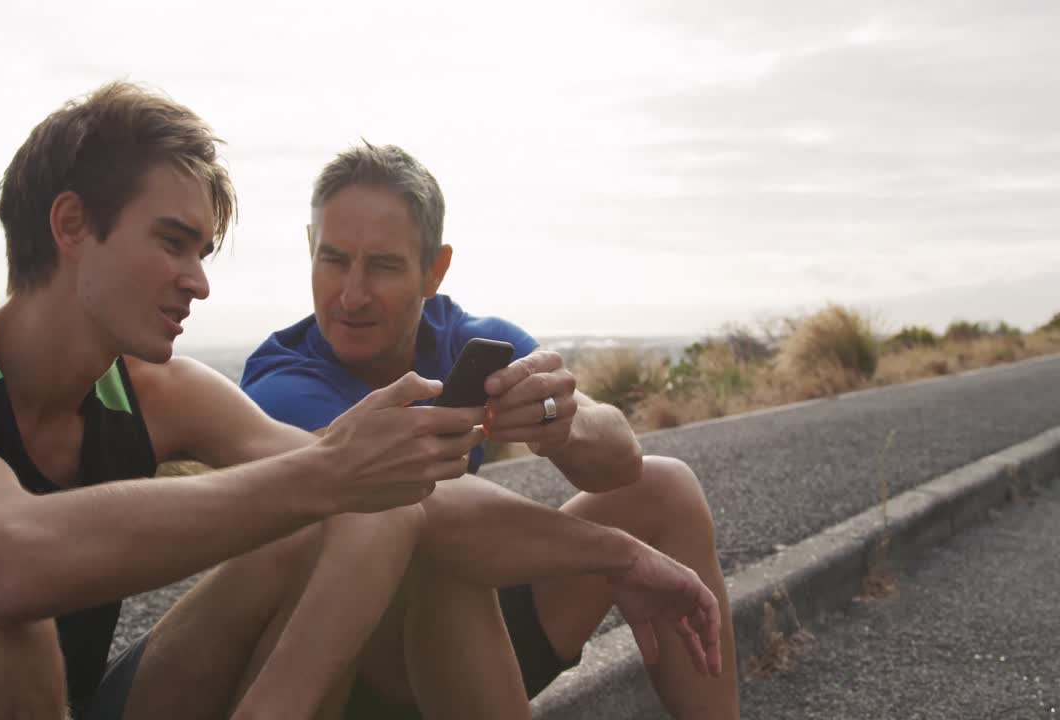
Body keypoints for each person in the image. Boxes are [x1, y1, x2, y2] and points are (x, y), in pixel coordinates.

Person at [0, 84, 721, 720]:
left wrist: (621, 555)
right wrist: (321, 474)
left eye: (204, 252)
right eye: (173, 243)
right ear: (71, 224)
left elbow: (402, 496)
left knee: (374, 505)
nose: (198, 280)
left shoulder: (159, 391)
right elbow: (6, 563)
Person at [241, 142, 741, 718]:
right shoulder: (282, 383)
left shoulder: (466, 339)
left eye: (383, 266)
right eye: (333, 260)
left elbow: (621, 460)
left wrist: (563, 423)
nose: (351, 295)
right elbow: (418, 508)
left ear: (434, 270)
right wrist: (620, 557)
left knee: (664, 487)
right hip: (342, 675)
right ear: (310, 247)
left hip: (465, 645)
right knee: (442, 557)